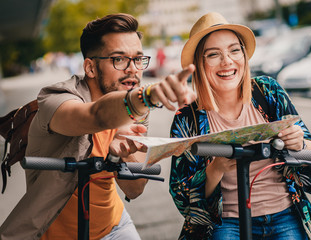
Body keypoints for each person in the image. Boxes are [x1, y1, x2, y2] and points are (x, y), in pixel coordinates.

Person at [0, 13, 196, 240]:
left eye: (138, 59)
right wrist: (145, 97)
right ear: (90, 67)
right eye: (119, 59)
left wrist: (121, 155)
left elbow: (135, 188)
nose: (133, 69)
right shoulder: (56, 99)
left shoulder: (134, 104)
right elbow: (96, 115)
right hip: (53, 234)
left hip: (116, 226)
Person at [169, 12, 311, 240]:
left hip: (284, 214)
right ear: (199, 65)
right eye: (213, 54)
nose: (227, 61)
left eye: (234, 50)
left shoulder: (268, 92)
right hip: (226, 222)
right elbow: (182, 198)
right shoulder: (187, 119)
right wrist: (215, 169)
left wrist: (300, 144)